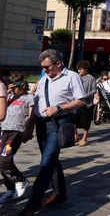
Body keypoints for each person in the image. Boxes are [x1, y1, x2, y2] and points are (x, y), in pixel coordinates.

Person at [20, 49, 86, 215]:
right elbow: (36, 105)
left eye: (47, 67)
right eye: (43, 67)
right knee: (50, 160)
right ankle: (59, 193)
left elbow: (81, 100)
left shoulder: (71, 77)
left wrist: (59, 108)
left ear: (58, 64)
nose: (45, 70)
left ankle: (32, 204)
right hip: (42, 124)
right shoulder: (43, 80)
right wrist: (29, 127)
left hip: (59, 123)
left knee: (46, 162)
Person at [0, 74, 33, 204]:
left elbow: (32, 117)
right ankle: (10, 189)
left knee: (4, 159)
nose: (13, 90)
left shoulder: (29, 98)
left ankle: (20, 179)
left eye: (15, 87)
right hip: (3, 131)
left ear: (23, 85)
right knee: (1, 162)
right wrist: (7, 92)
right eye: (11, 88)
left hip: (16, 132)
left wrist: (28, 131)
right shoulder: (8, 96)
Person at [73, 60, 96, 147]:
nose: (79, 71)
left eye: (81, 69)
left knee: (86, 121)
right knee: (73, 119)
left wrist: (85, 95)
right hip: (76, 102)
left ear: (86, 69)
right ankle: (76, 135)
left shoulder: (91, 78)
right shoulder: (76, 77)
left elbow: (94, 90)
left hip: (86, 103)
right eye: (78, 69)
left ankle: (84, 138)